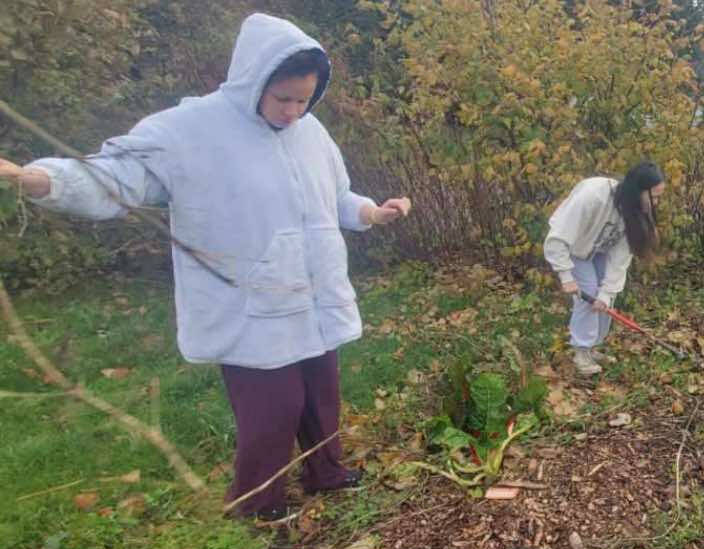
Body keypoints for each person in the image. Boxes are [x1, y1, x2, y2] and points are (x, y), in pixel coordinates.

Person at [0, 14, 411, 521]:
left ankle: (325, 473)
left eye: (304, 100)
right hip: (249, 301)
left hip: (313, 292)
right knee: (273, 409)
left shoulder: (310, 131)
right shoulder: (188, 131)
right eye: (283, 98)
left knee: (319, 394)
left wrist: (371, 212)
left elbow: (337, 196)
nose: (293, 111)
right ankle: (257, 504)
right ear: (254, 80)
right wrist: (43, 181)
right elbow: (118, 176)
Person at [543, 162, 664, 375]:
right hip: (574, 247)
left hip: (599, 250)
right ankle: (581, 350)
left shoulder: (633, 212)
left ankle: (593, 346)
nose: (656, 203)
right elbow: (558, 236)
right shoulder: (593, 196)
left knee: (604, 298)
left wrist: (607, 293)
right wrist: (566, 275)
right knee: (589, 293)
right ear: (638, 190)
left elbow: (620, 258)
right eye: (653, 197)